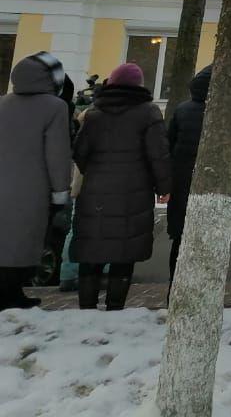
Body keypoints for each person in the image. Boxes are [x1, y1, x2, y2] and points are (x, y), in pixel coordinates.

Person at [72, 62, 171, 310]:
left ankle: (86, 307)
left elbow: (79, 152)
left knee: (91, 249)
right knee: (125, 252)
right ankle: (115, 308)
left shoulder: (94, 114)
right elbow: (158, 154)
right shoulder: (149, 113)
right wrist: (164, 187)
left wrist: (94, 173)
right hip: (134, 191)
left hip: (95, 192)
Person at [0, 52, 73, 311]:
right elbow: (57, 154)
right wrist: (61, 191)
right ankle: (11, 294)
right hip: (32, 189)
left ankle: (11, 293)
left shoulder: (3, 103)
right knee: (25, 244)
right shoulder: (55, 107)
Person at [166, 65, 211, 279]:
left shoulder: (181, 110)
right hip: (207, 182)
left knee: (180, 235)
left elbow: (169, 144)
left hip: (181, 179)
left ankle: (174, 280)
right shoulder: (219, 115)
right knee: (203, 236)